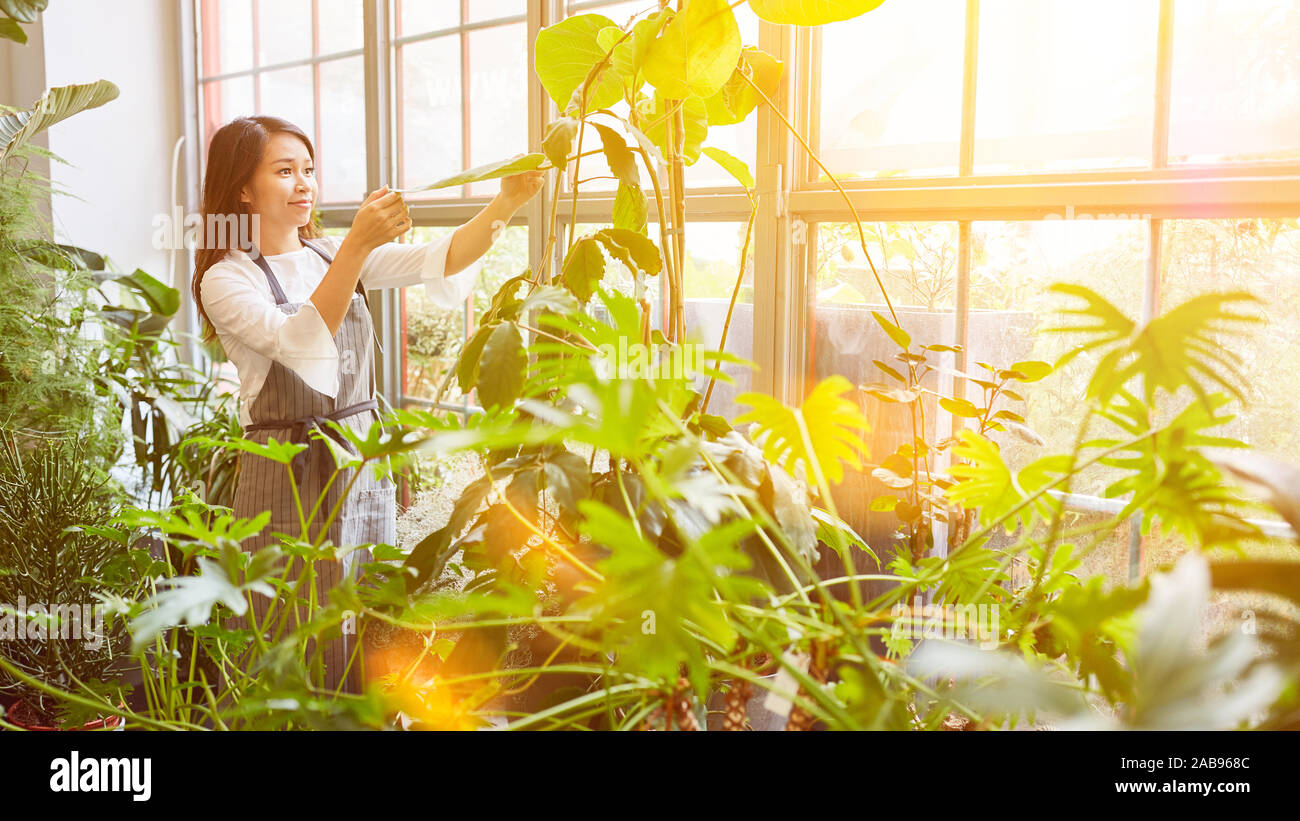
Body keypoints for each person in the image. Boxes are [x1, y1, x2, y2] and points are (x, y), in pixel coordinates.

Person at [191, 115, 542, 695]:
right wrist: (356, 245)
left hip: (360, 462)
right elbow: (301, 342)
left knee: (366, 623)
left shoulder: (328, 254)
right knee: (290, 628)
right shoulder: (227, 280)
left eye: (308, 170)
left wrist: (504, 201)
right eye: (285, 171)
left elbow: (444, 256)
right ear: (241, 189)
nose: (304, 184)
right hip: (287, 473)